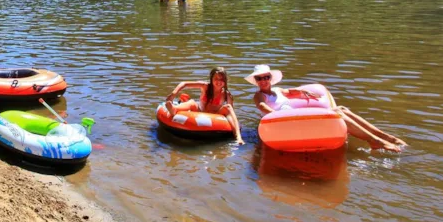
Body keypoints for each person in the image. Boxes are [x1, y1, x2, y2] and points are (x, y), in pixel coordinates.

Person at [246, 65, 405, 152]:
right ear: (256, 81)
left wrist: (302, 92)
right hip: (286, 122)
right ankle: (374, 141)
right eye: (259, 78)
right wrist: (280, 116)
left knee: (341, 108)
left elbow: (290, 91)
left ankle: (383, 136)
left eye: (266, 77)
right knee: (336, 113)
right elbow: (262, 107)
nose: (263, 81)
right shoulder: (259, 96)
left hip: (295, 118)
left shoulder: (278, 90)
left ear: (270, 78)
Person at [164, 67, 244, 145]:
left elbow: (231, 114)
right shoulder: (205, 86)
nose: (219, 81)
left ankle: (238, 137)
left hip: (215, 115)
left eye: (221, 79)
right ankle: (174, 109)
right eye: (216, 78)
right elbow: (184, 84)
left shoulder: (226, 94)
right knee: (192, 102)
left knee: (228, 107)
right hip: (199, 111)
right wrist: (173, 94)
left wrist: (235, 130)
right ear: (211, 79)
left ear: (225, 81)